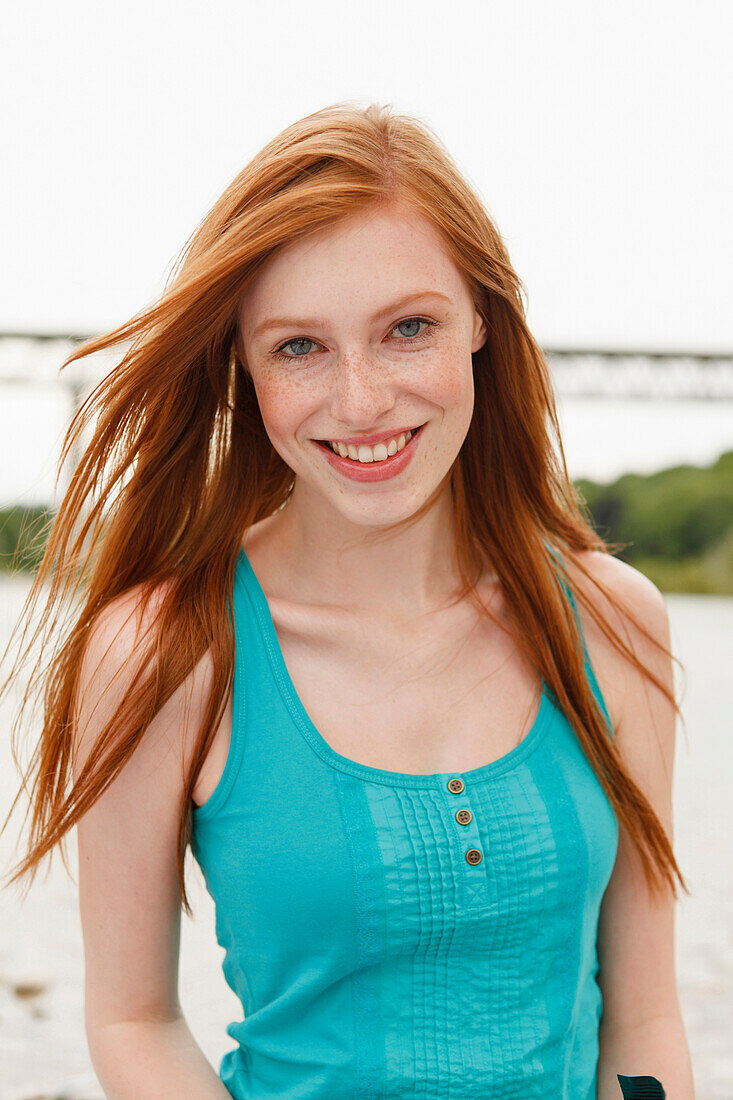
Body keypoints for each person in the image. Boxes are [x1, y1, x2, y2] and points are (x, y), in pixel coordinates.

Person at [1, 102, 695, 1099]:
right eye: (299, 347)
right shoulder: (164, 648)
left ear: (481, 321)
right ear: (242, 360)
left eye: (407, 327)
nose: (361, 401)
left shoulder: (615, 619)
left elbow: (644, 1015)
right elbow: (131, 1018)